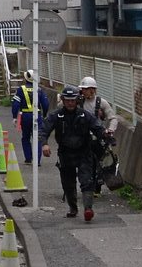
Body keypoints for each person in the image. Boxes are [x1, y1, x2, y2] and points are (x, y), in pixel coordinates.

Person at [41, 85, 106, 221]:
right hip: (65, 154)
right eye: (67, 100)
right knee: (68, 183)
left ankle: (88, 209)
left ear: (77, 100)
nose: (70, 103)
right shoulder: (57, 115)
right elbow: (44, 130)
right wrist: (44, 144)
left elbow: (97, 128)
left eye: (73, 100)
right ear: (63, 100)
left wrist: (107, 137)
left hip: (84, 153)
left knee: (87, 180)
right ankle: (73, 208)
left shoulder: (85, 115)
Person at [78, 76, 119, 191]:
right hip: (83, 137)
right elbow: (63, 108)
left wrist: (110, 130)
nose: (85, 91)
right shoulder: (78, 101)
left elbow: (113, 118)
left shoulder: (101, 102)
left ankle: (97, 186)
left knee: (98, 162)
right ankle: (86, 184)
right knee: (84, 162)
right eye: (83, 89)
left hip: (98, 138)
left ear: (93, 89)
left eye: (87, 89)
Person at [10, 68, 50, 165]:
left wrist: (15, 117)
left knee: (26, 137)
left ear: (26, 78)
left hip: (25, 116)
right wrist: (44, 115)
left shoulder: (21, 90)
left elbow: (15, 104)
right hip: (37, 116)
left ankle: (28, 158)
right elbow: (45, 104)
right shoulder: (39, 90)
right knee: (38, 138)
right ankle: (37, 161)